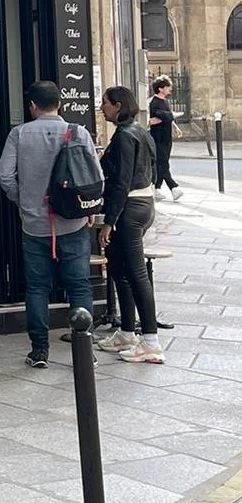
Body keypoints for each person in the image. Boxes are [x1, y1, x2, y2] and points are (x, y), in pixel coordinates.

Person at [0, 79, 99, 369]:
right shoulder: (78, 132)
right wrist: (87, 207)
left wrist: (24, 200)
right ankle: (85, 349)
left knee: (37, 288)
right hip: (72, 222)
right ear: (60, 104)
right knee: (79, 286)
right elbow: (96, 176)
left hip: (34, 224)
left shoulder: (19, 134)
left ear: (32, 105)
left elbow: (5, 175)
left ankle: (39, 350)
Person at [98, 86, 163, 362]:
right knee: (118, 268)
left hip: (129, 208)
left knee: (135, 273)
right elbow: (155, 169)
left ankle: (151, 341)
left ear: (117, 105)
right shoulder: (140, 131)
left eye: (105, 103)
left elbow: (122, 181)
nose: (101, 107)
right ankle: (127, 332)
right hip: (143, 204)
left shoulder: (125, 135)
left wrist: (108, 221)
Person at [148, 75, 183, 202]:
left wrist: (175, 127)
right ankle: (173, 187)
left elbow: (167, 118)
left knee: (163, 161)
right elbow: (153, 120)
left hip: (167, 136)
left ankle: (156, 188)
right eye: (168, 87)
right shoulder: (154, 102)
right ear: (160, 88)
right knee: (163, 162)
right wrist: (167, 116)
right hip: (158, 136)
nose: (170, 89)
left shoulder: (165, 102)